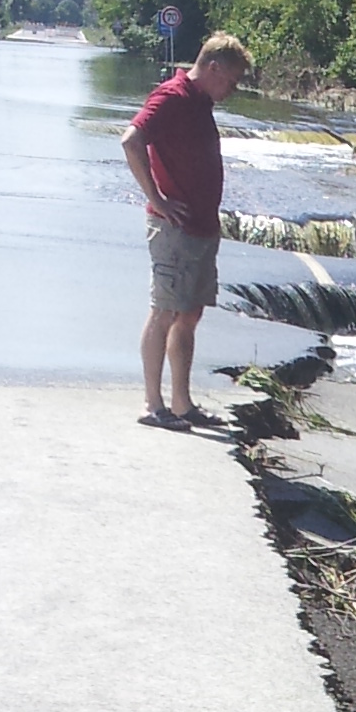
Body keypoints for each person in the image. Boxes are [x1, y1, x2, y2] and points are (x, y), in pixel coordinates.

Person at [119, 30, 254, 426]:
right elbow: (131, 140)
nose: (232, 90)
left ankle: (182, 404)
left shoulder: (199, 102)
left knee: (189, 314)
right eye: (231, 81)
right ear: (213, 68)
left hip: (200, 227)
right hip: (173, 228)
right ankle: (152, 405)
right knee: (164, 311)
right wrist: (157, 198)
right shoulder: (172, 96)